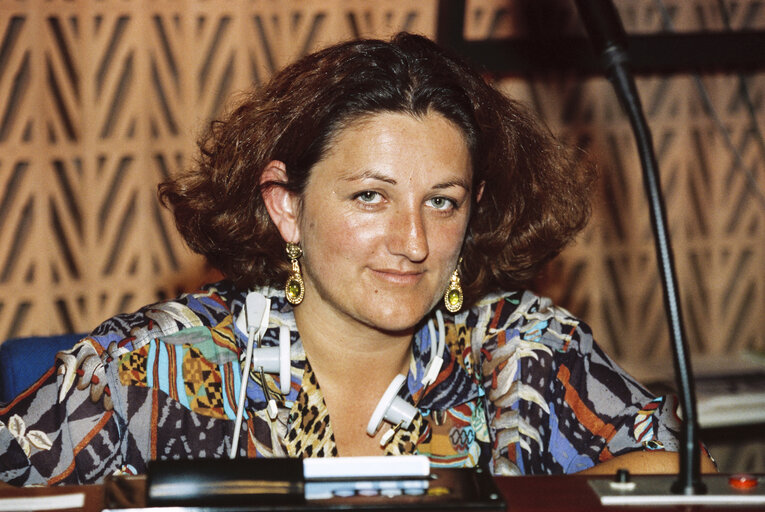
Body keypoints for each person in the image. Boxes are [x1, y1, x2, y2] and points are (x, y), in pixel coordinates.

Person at [0, 32, 713, 486]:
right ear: (285, 205)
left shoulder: (522, 351)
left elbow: (689, 472)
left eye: (442, 201)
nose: (412, 241)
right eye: (371, 197)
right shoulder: (146, 371)